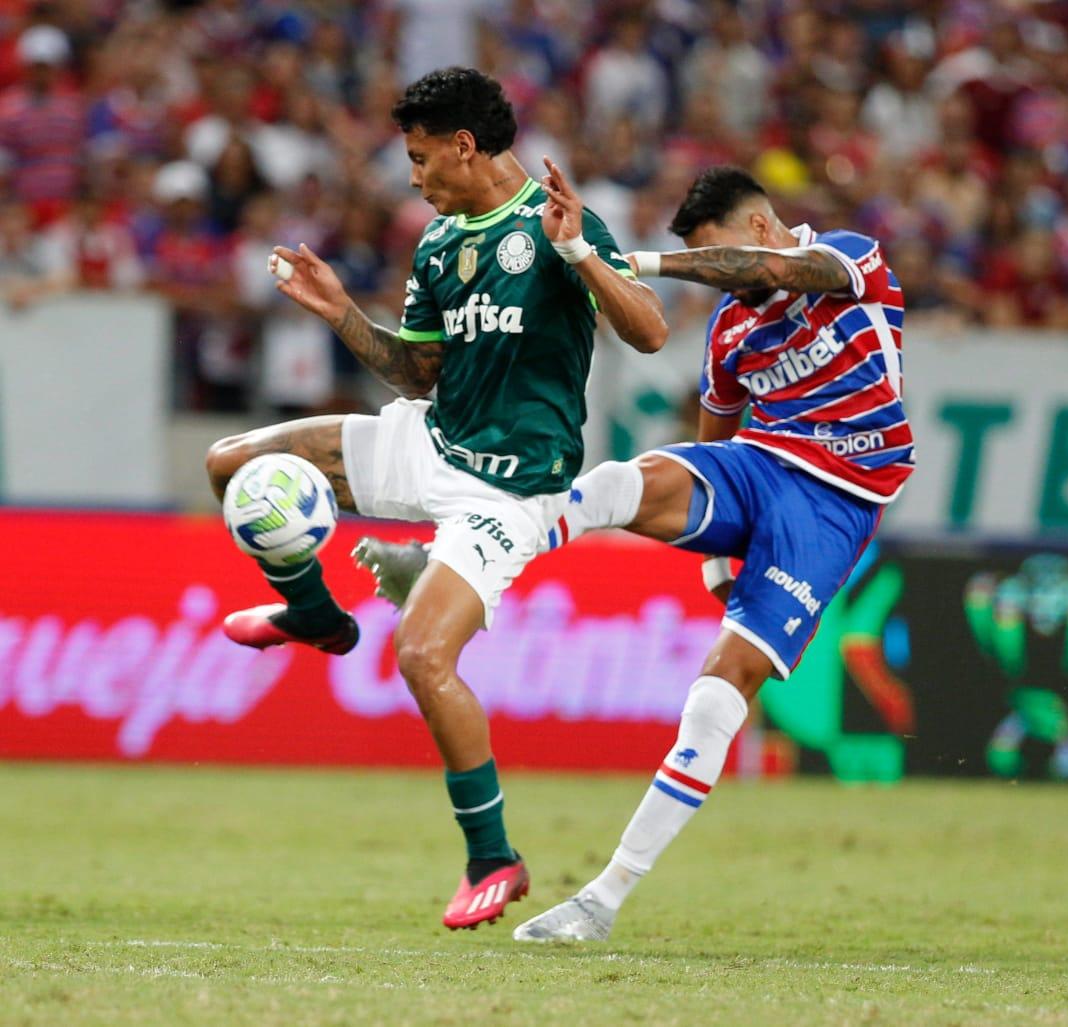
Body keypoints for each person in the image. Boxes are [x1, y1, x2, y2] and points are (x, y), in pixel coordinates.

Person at [205, 67, 667, 931]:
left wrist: (577, 252)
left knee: (422, 656)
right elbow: (417, 370)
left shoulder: (556, 221)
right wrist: (341, 311)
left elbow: (649, 331)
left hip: (513, 487)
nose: (412, 177)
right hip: (430, 439)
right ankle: (317, 615)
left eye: (421, 159)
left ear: (464, 145)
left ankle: (495, 856)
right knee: (230, 463)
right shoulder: (437, 242)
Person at [512, 165, 914, 940]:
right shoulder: (732, 328)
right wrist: (714, 552)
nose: (718, 279)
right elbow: (716, 426)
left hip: (836, 504)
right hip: (762, 466)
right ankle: (469, 562)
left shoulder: (849, 259)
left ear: (760, 225)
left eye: (715, 254)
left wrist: (636, 262)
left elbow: (761, 270)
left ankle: (603, 897)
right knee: (620, 482)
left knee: (716, 694)